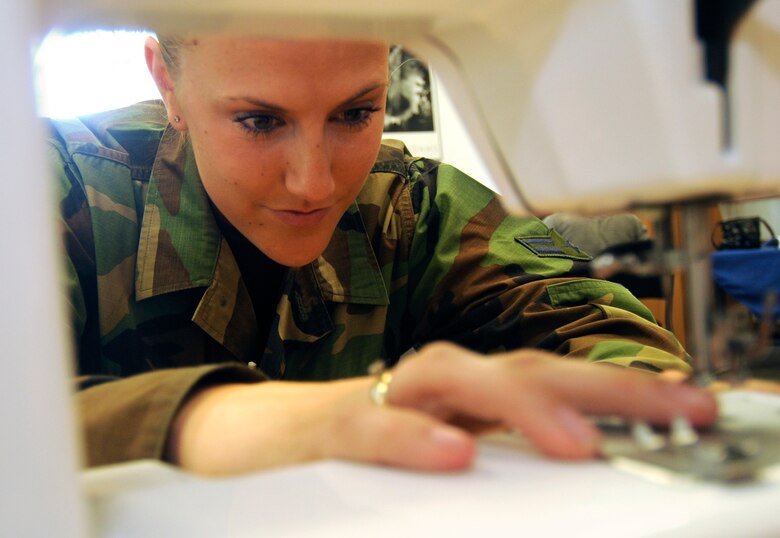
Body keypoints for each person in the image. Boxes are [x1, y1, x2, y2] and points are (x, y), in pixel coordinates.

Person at [47, 34, 716, 476]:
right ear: (167, 80)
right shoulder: (43, 190)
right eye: (259, 121)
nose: (315, 183)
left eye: (355, 114)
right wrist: (268, 420)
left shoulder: (414, 207)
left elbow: (599, 333)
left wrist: (652, 399)